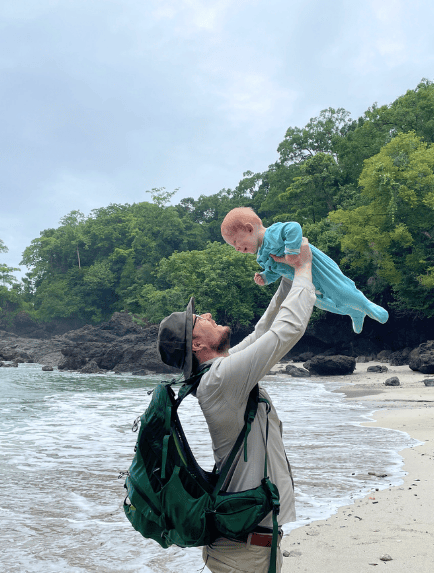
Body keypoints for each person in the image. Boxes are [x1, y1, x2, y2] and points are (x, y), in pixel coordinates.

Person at [156, 238, 316, 573]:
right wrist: (303, 269)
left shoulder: (217, 375)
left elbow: (264, 331)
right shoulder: (220, 381)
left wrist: (286, 276)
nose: (208, 314)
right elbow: (286, 331)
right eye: (199, 318)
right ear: (197, 343)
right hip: (243, 554)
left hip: (244, 548)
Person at [220, 206, 388, 334]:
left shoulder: (272, 234)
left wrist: (291, 251)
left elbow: (294, 227)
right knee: (326, 304)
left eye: (235, 242)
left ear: (249, 229)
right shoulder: (261, 257)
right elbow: (275, 270)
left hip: (317, 268)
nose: (236, 248)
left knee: (340, 290)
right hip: (304, 278)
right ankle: (354, 312)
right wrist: (265, 277)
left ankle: (366, 305)